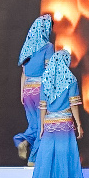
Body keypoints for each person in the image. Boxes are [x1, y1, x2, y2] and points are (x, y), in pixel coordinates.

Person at [27, 47, 87, 178]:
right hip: (65, 126)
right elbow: (74, 104)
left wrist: (41, 126)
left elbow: (42, 106)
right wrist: (79, 124)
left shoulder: (45, 80)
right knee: (65, 159)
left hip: (49, 126)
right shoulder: (70, 79)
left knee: (47, 160)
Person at [14, 14, 53, 162]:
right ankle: (34, 158)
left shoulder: (27, 47)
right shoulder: (48, 46)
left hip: (27, 91)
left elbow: (23, 74)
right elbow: (49, 71)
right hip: (40, 90)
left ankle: (23, 142)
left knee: (34, 124)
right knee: (43, 125)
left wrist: (22, 93)